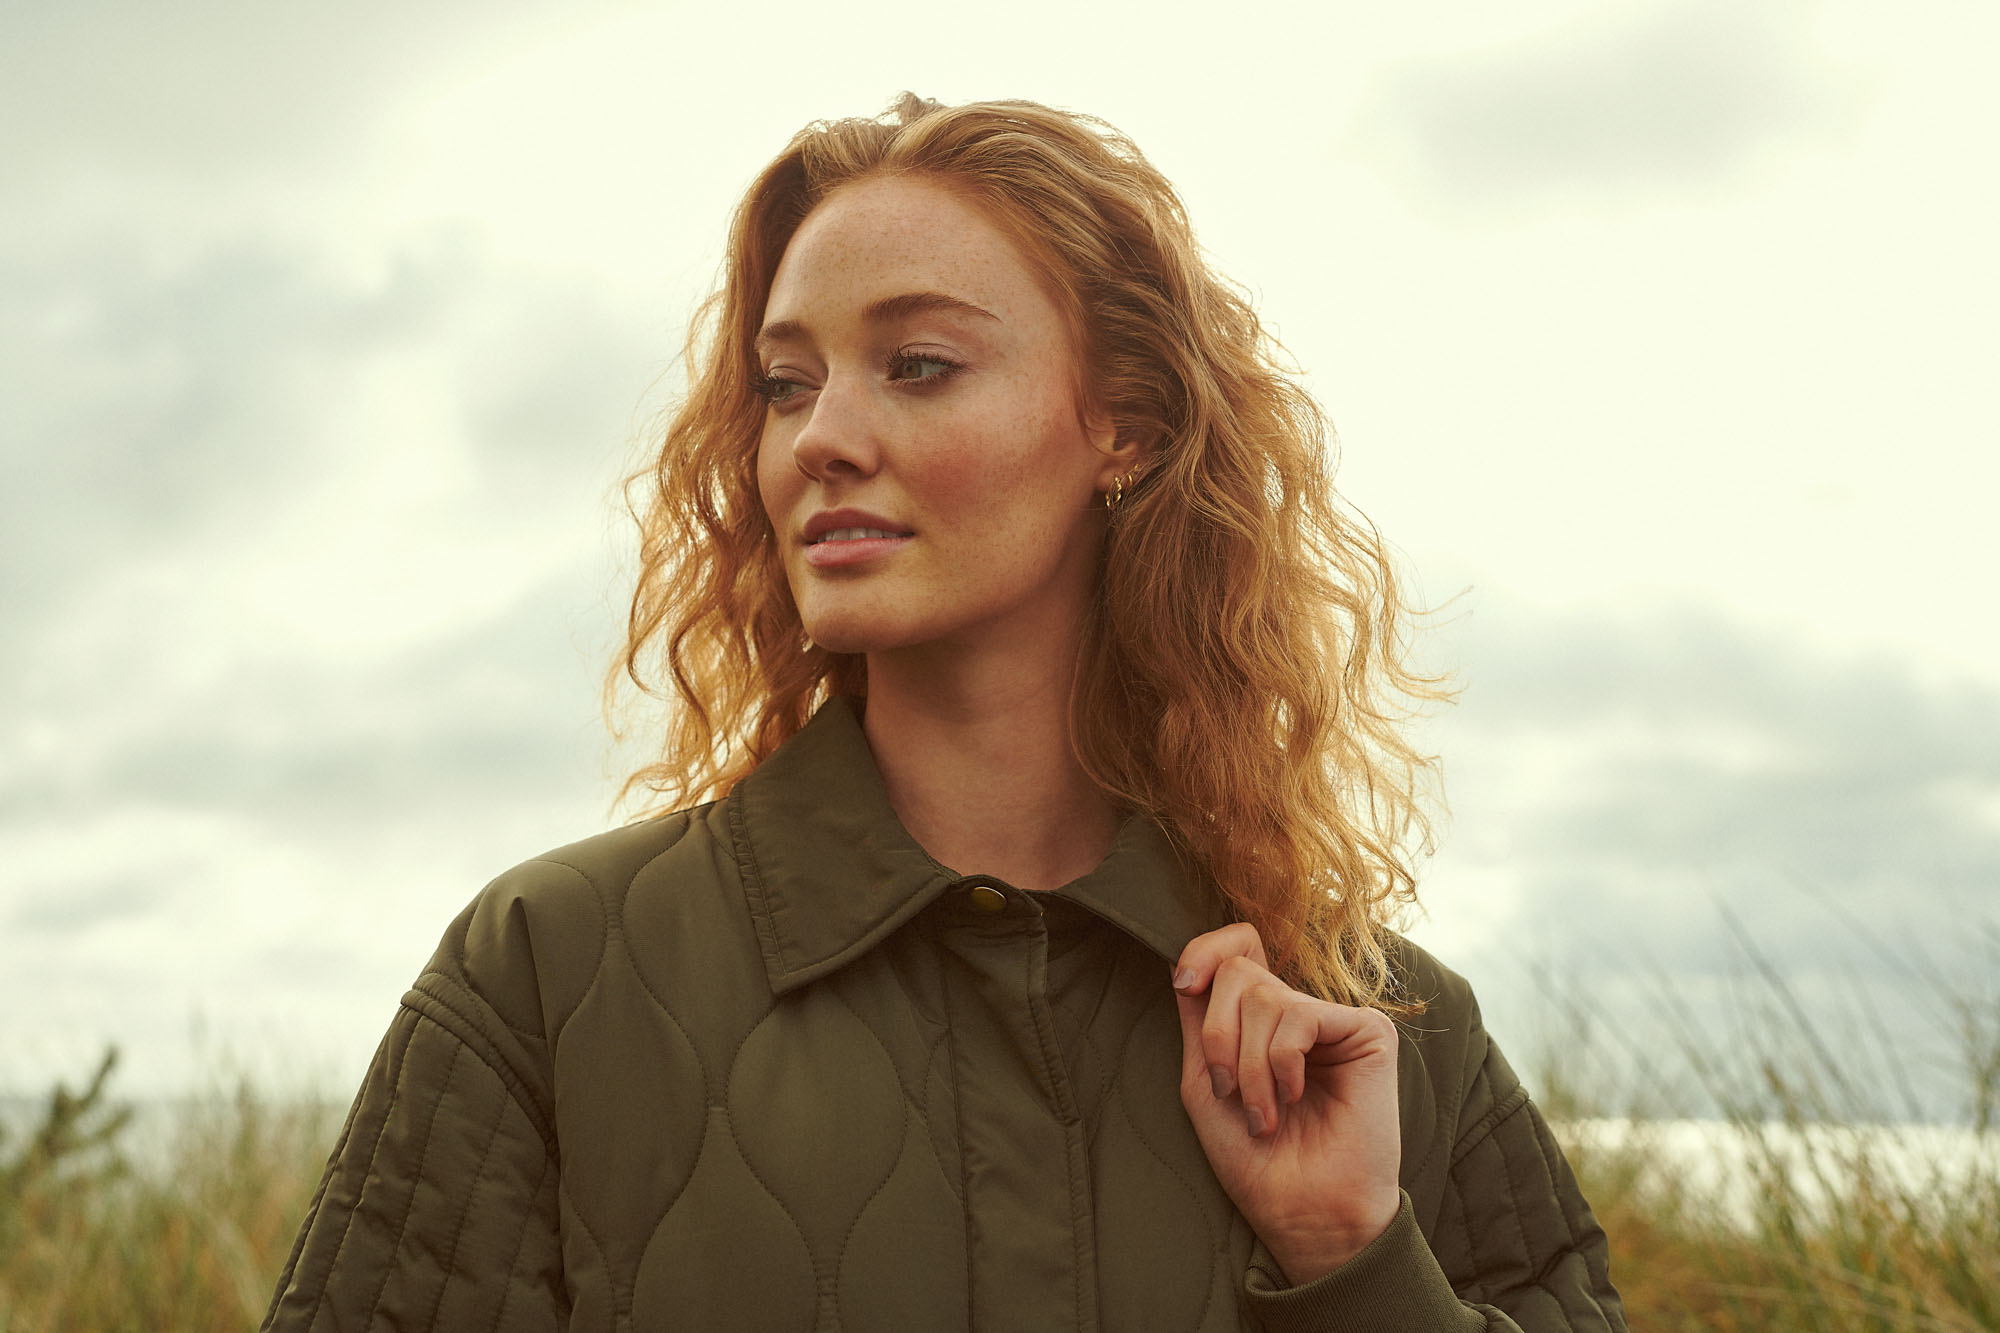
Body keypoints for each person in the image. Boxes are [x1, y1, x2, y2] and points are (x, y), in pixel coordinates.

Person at [264, 94, 1625, 1331]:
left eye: (917, 364)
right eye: (787, 384)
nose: (821, 438)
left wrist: (1349, 1254)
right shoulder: (551, 978)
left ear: (1127, 426)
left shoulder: (1379, 1032)